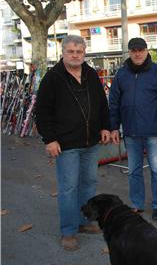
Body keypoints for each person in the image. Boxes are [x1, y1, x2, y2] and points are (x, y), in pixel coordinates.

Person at [35, 35, 111, 251]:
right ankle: (68, 231)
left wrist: (105, 126)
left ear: (84, 52)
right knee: (68, 188)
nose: (75, 55)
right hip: (66, 144)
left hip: (91, 142)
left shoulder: (91, 74)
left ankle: (85, 222)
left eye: (79, 51)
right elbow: (42, 112)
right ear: (63, 53)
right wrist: (49, 139)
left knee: (88, 184)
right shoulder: (53, 78)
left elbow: (101, 104)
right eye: (71, 51)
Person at [109, 37, 157, 221]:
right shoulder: (121, 75)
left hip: (153, 131)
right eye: (134, 50)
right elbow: (113, 102)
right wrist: (114, 127)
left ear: (147, 51)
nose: (137, 53)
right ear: (129, 53)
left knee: (156, 170)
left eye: (141, 50)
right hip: (130, 131)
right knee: (134, 170)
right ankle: (137, 204)